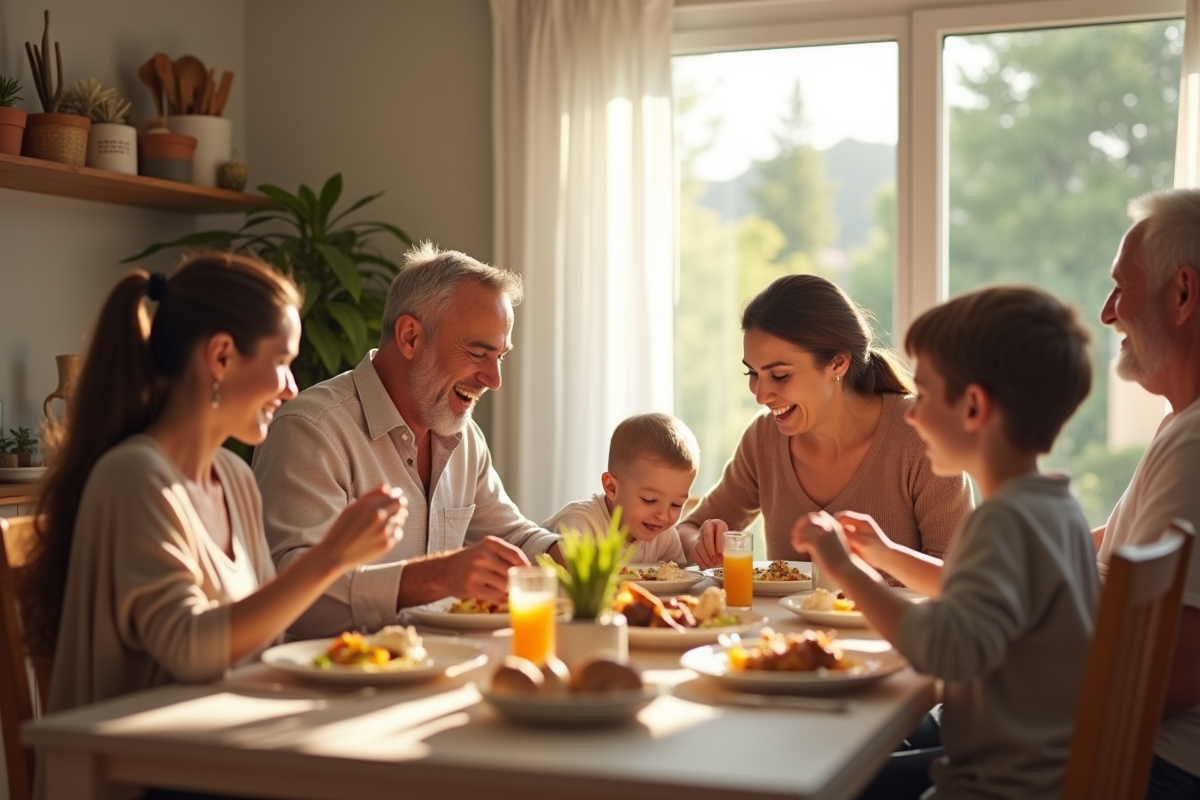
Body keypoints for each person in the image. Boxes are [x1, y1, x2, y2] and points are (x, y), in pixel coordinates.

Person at [22, 255, 407, 715]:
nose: (290, 387)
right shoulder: (133, 477)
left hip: (221, 746)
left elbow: (268, 641)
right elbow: (188, 649)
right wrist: (330, 558)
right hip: (139, 771)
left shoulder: (234, 477)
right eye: (282, 362)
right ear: (221, 356)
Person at [792, 285, 1098, 800]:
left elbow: (940, 649)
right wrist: (887, 554)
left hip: (997, 786)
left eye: (926, 396)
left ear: (974, 407)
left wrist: (845, 569)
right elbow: (971, 595)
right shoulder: (1054, 508)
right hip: (1042, 768)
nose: (910, 414)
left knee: (814, 781)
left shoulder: (1003, 521)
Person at [253, 243, 561, 639]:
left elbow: (513, 537)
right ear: (411, 337)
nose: (494, 379)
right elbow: (291, 600)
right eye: (478, 352)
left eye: (500, 356)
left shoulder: (462, 436)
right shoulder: (311, 430)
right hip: (335, 686)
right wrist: (438, 577)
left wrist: (566, 557)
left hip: (441, 671)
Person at [682, 274, 973, 574]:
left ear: (837, 364)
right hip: (784, 624)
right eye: (752, 374)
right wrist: (702, 544)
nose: (760, 395)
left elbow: (960, 580)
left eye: (779, 375)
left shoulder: (919, 434)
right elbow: (688, 529)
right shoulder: (764, 437)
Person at [1094, 189, 1200, 799]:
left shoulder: (1196, 444)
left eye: (1121, 287)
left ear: (1183, 294)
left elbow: (1174, 677)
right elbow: (1105, 549)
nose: (1109, 313)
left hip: (1148, 768)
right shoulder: (1179, 425)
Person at [543, 413, 699, 563]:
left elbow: (677, 579)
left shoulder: (664, 535)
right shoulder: (580, 524)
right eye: (649, 500)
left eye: (676, 504)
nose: (664, 516)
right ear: (612, 488)